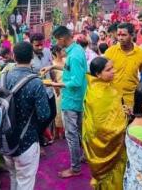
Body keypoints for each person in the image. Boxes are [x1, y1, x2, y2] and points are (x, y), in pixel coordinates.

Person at [0, 42, 50, 189]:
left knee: (13, 176)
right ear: (32, 57)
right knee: (25, 181)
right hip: (26, 141)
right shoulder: (36, 83)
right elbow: (44, 114)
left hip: (5, 139)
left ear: (14, 56)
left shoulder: (1, 78)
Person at [41, 26, 88, 178]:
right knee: (80, 131)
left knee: (72, 135)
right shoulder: (76, 50)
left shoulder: (74, 55)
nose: (56, 42)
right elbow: (70, 69)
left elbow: (75, 81)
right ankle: (85, 156)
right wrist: (53, 66)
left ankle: (75, 168)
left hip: (72, 99)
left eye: (56, 39)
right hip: (79, 98)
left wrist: (53, 84)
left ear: (62, 38)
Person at [83, 57, 127, 189]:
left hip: (113, 141)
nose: (113, 71)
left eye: (112, 68)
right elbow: (102, 127)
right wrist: (125, 119)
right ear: (98, 74)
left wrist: (123, 111)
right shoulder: (98, 94)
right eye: (108, 70)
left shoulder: (102, 86)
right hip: (107, 144)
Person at [105, 23, 142, 106]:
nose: (120, 38)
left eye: (124, 35)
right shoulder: (110, 52)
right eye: (118, 35)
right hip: (113, 98)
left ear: (132, 35)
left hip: (132, 98)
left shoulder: (141, 54)